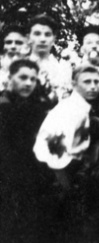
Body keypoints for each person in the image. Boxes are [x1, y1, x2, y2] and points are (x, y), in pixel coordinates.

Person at [0, 59, 59, 221]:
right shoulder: (3, 107)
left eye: (33, 79)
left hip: (35, 175)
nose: (28, 83)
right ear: (10, 77)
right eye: (23, 77)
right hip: (10, 178)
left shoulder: (36, 106)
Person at [33, 63, 99, 172]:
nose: (93, 86)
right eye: (87, 82)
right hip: (62, 171)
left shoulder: (83, 107)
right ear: (74, 85)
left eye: (96, 82)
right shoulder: (70, 110)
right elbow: (54, 154)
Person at [27, 14, 72, 100]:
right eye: (37, 34)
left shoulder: (63, 68)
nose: (42, 39)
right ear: (29, 37)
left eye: (47, 34)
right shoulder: (19, 65)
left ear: (54, 39)